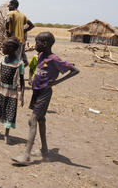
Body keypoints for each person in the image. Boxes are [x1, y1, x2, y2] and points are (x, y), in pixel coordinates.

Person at [12, 32, 79, 165]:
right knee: (41, 119)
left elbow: (75, 70)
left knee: (32, 120)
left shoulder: (54, 59)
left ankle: (26, 155)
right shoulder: (41, 55)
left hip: (44, 93)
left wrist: (56, 82)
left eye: (37, 42)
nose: (35, 45)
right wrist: (32, 79)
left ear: (45, 44)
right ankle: (44, 150)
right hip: (36, 91)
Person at [0, 37, 25, 144]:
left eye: (4, 47)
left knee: (10, 113)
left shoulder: (19, 64)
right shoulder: (2, 60)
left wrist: (22, 96)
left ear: (12, 49)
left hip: (12, 93)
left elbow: (22, 81)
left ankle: (6, 134)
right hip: (1, 90)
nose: (2, 49)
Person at [5, 0, 34, 66]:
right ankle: (19, 73)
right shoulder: (22, 15)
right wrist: (24, 30)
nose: (8, 8)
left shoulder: (10, 13)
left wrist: (7, 31)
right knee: (18, 58)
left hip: (12, 40)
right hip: (20, 41)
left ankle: (14, 74)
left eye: (9, 6)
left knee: (12, 58)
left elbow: (7, 21)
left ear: (13, 5)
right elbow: (31, 25)